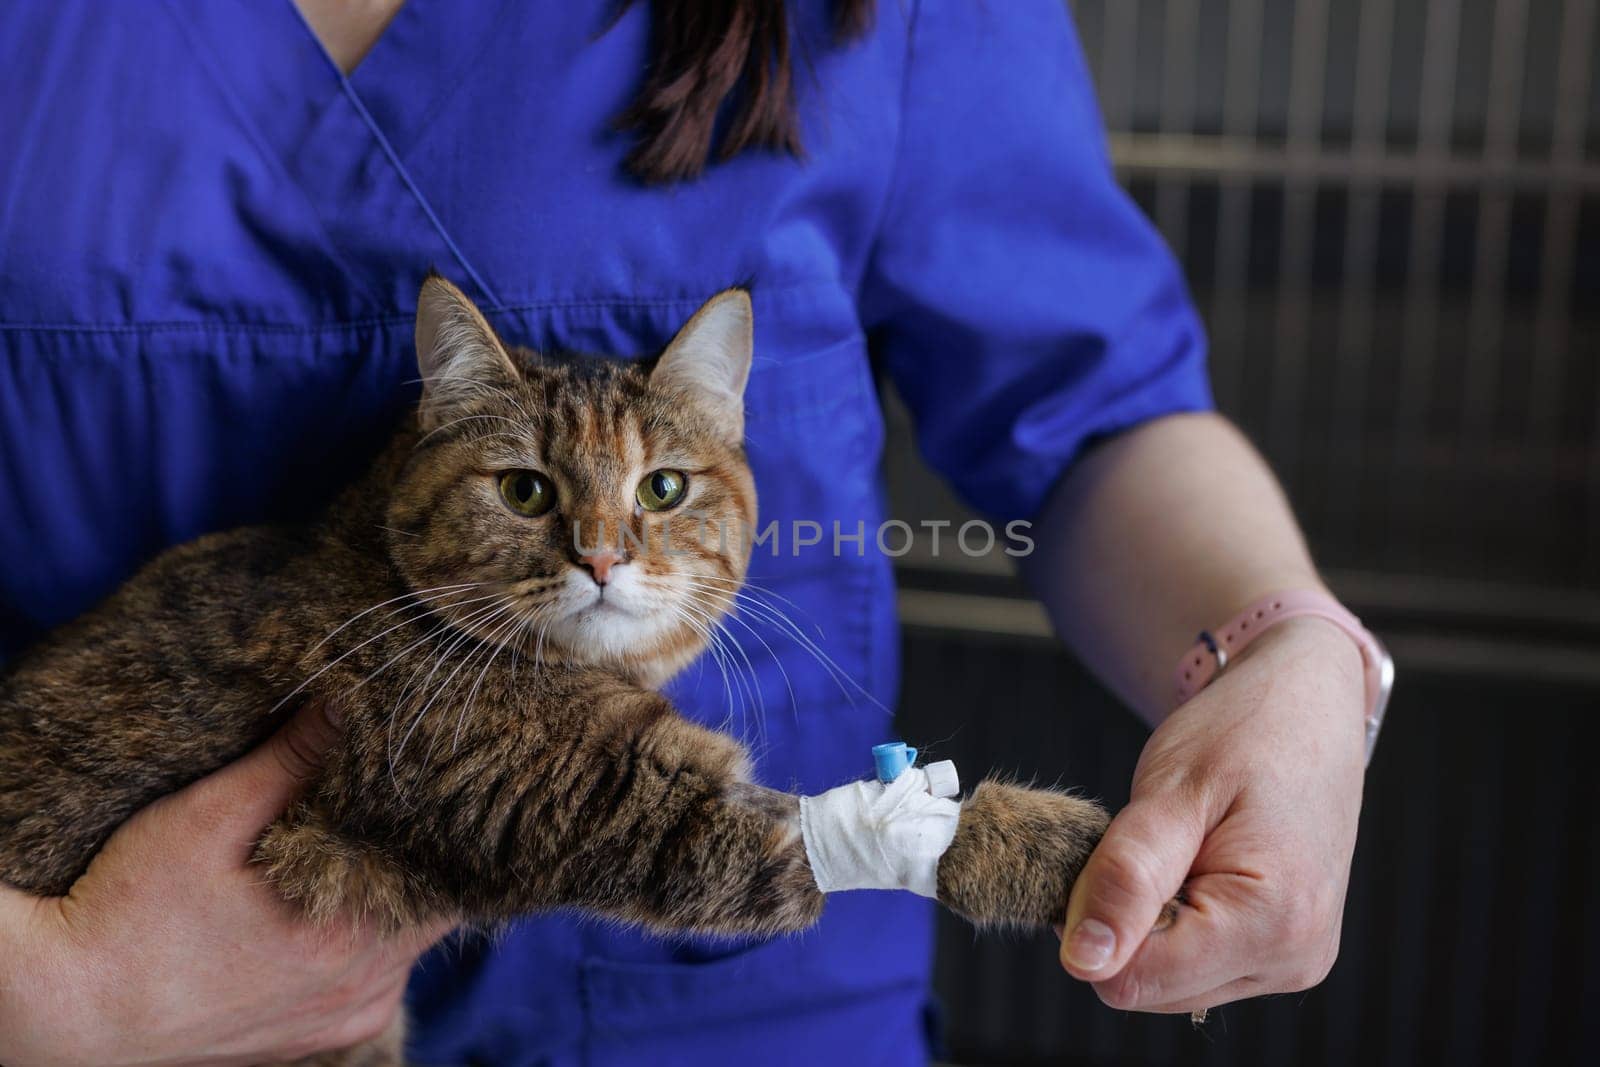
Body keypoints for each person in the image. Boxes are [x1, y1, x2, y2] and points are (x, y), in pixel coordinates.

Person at [0, 1, 1372, 1063]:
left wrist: (1290, 649)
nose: (602, 549)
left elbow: (1093, 407)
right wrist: (42, 996)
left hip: (731, 1015)